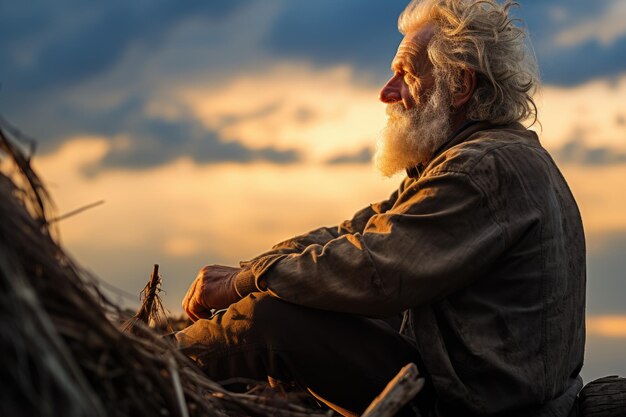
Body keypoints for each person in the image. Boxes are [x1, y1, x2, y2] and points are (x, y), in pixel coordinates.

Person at [176, 0, 586, 416]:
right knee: (300, 297)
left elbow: (374, 269)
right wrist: (251, 269)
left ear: (460, 84)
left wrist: (244, 283)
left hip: (474, 407)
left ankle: (149, 368)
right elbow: (355, 233)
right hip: (485, 391)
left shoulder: (480, 168)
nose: (386, 92)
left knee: (268, 318)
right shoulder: (481, 156)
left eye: (405, 76)